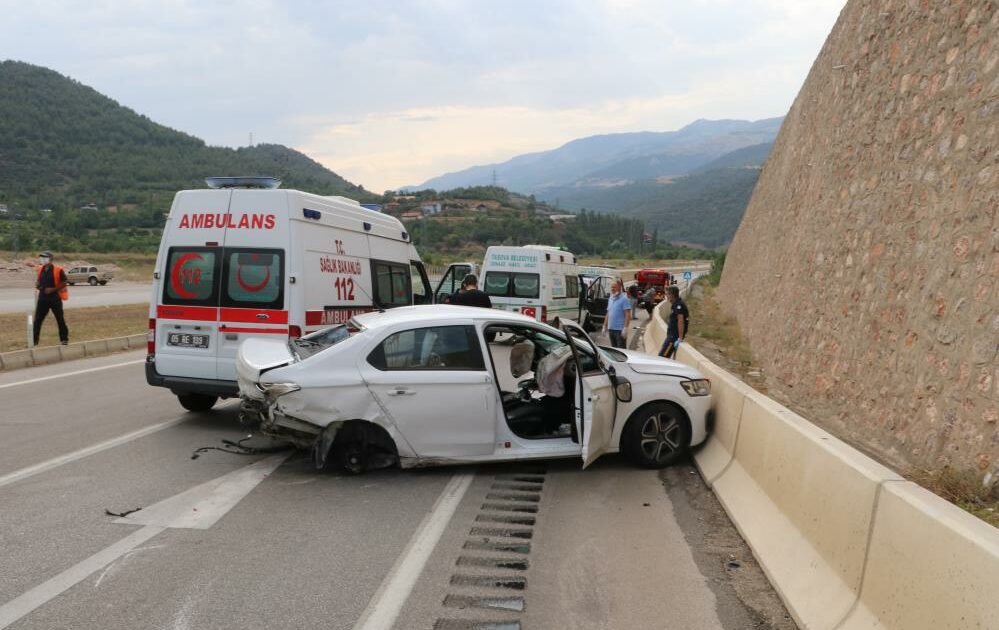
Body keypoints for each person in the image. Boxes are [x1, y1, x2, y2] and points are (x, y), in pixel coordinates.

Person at [34, 250, 69, 346]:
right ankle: (34, 342)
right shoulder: (40, 269)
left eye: (45, 257)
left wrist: (53, 289)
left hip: (54, 298)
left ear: (51, 259)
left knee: (60, 319)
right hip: (42, 298)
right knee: (37, 320)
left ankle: (64, 340)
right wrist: (38, 286)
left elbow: (64, 282)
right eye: (41, 257)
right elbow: (39, 283)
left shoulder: (58, 269)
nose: (43, 259)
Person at [658, 285, 689, 359]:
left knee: (662, 357)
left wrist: (680, 338)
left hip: (673, 338)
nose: (667, 296)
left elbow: (680, 321)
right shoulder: (675, 304)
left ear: (673, 295)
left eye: (668, 294)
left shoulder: (679, 305)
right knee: (662, 356)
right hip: (671, 336)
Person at [602, 280, 631, 349]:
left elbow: (627, 314)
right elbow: (608, 313)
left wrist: (625, 328)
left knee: (621, 351)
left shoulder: (624, 299)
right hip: (611, 329)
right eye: (611, 287)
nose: (612, 289)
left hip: (619, 330)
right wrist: (604, 326)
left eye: (614, 287)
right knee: (614, 351)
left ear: (619, 287)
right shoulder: (611, 298)